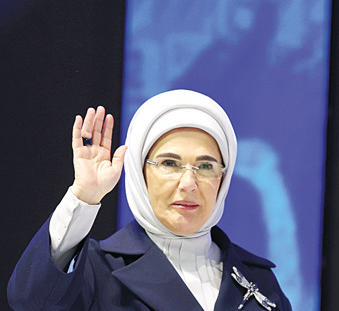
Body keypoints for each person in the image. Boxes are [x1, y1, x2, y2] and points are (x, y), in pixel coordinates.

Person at [8, 89, 292, 310]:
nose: (189, 184)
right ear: (139, 173)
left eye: (206, 166)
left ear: (224, 177)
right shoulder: (98, 270)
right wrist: (85, 195)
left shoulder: (258, 279)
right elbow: (33, 302)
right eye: (169, 163)